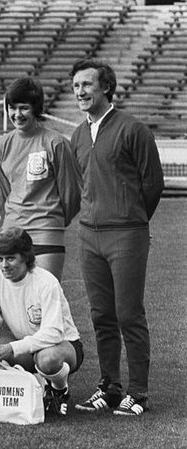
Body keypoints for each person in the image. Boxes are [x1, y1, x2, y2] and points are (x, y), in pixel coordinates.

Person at [69, 59, 164, 416]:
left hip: (126, 235)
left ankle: (137, 393)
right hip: (89, 237)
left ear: (106, 87)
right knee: (101, 315)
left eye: (87, 85)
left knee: (128, 314)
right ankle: (109, 387)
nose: (80, 91)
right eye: (76, 85)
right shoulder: (78, 134)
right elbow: (84, 185)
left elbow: (152, 184)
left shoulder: (132, 129)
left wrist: (131, 221)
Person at [0, 228, 83, 416]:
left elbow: (53, 333)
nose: (4, 265)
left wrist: (11, 348)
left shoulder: (46, 282)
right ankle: (21, 389)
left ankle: (59, 389)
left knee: (48, 359)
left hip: (63, 346)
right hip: (24, 346)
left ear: (26, 257)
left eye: (10, 258)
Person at [0, 77, 81, 281]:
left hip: (46, 232)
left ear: (36, 109)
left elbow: (72, 193)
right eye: (12, 108)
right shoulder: (2, 145)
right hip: (12, 232)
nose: (17, 114)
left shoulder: (55, 143)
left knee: (45, 300)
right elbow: (2, 192)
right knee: (13, 303)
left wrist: (52, 219)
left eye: (23, 108)